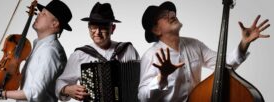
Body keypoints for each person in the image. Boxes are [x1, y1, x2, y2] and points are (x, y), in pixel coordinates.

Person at [138, 1, 270, 102]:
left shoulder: (194, 45)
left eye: (170, 11)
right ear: (156, 30)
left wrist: (244, 43)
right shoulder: (150, 56)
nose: (170, 14)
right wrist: (162, 77)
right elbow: (143, 97)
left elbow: (223, 66)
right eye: (163, 15)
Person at [0, 0, 73, 101]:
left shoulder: (49, 51)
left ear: (54, 24)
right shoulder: (40, 45)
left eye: (44, 14)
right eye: (40, 12)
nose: (38, 15)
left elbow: (33, 93)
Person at [55, 2, 140, 101]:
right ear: (88, 28)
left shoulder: (128, 50)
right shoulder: (79, 55)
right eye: (93, 27)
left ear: (112, 28)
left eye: (103, 27)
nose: (97, 32)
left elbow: (140, 82)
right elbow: (60, 82)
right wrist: (67, 89)